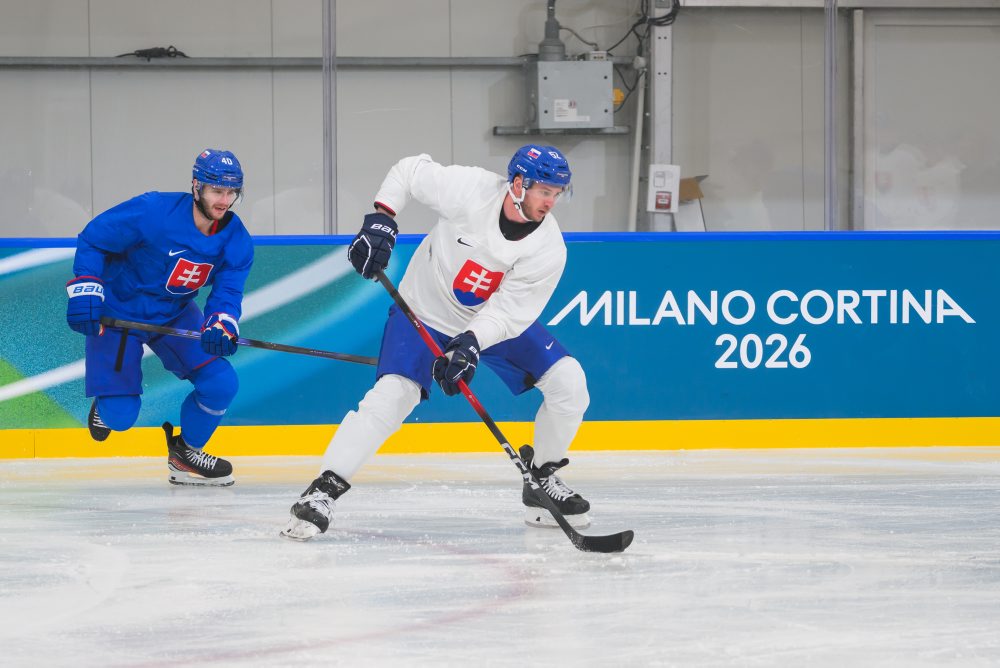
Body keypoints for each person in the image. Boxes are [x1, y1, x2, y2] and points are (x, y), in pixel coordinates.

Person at [282, 145, 591, 540]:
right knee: (394, 395)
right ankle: (322, 491)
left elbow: (510, 313)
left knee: (569, 381)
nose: (551, 201)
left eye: (557, 193)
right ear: (518, 184)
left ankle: (543, 480)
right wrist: (382, 218)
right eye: (544, 191)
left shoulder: (549, 248)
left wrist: (471, 344)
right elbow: (408, 171)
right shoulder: (471, 189)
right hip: (422, 312)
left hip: (488, 322)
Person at [65, 149, 254, 487]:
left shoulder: (236, 239)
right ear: (196, 186)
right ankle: (106, 405)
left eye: (230, 192)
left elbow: (228, 292)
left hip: (175, 313)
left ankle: (185, 455)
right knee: (121, 418)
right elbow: (94, 240)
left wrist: (221, 322)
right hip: (119, 313)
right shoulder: (153, 211)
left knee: (221, 383)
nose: (224, 200)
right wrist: (86, 287)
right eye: (216, 190)